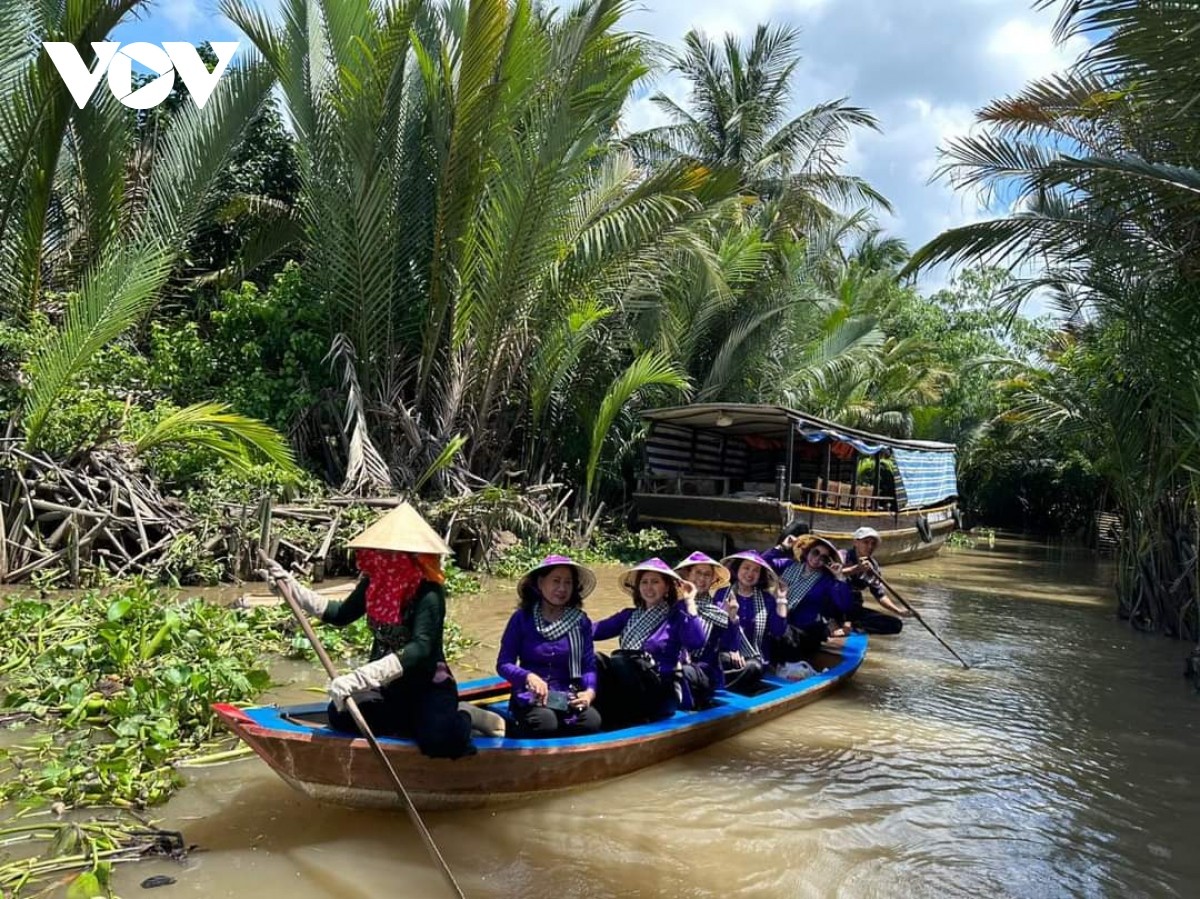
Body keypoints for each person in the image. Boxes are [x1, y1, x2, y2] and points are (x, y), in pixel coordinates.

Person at [258, 503, 481, 759]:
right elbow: (340, 614)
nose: (384, 557)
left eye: (392, 553)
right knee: (339, 715)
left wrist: (361, 677)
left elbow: (421, 648)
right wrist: (292, 587)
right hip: (388, 688)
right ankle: (411, 722)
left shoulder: (428, 592)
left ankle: (465, 716)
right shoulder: (375, 583)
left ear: (412, 555)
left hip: (427, 685)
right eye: (382, 551)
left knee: (438, 741)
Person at [495, 555, 602, 737]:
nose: (562, 588)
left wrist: (589, 692)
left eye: (568, 583)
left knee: (591, 721)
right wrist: (528, 677)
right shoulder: (522, 618)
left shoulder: (580, 622)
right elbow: (504, 664)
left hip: (565, 697)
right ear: (540, 583)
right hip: (530, 696)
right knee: (545, 723)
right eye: (556, 581)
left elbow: (588, 665)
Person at [593, 558, 706, 726]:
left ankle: (631, 715)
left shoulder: (675, 617)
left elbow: (697, 642)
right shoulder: (629, 616)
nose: (649, 587)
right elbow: (593, 630)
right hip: (629, 684)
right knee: (597, 660)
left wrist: (689, 602)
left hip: (664, 689)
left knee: (627, 660)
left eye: (655, 582)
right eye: (644, 582)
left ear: (666, 587)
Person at [673, 551, 763, 700]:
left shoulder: (719, 608)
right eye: (697, 573)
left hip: (704, 670)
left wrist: (732, 618)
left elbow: (729, 645)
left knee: (753, 667)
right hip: (678, 664)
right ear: (687, 576)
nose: (701, 579)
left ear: (713, 580)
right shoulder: (675, 607)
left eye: (707, 574)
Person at [762, 533, 855, 661]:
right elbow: (760, 563)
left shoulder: (827, 581)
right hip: (778, 621)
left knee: (778, 633)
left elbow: (845, 605)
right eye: (815, 552)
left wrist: (839, 577)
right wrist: (782, 548)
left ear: (827, 562)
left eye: (823, 557)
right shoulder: (787, 565)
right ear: (807, 551)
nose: (817, 559)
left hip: (803, 632)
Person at [714, 550, 789, 674]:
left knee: (754, 667)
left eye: (756, 570)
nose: (750, 573)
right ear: (737, 569)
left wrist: (781, 599)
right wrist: (733, 648)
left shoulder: (767, 599)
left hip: (757, 660)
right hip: (727, 655)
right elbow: (716, 630)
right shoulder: (722, 595)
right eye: (746, 568)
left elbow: (778, 630)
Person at [839, 526, 909, 635]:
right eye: (866, 542)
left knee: (896, 625)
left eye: (873, 544)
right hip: (834, 603)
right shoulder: (842, 556)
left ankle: (852, 626)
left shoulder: (873, 567)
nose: (870, 547)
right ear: (856, 542)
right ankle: (841, 623)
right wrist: (857, 569)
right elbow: (829, 574)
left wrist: (898, 611)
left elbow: (880, 595)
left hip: (853, 608)